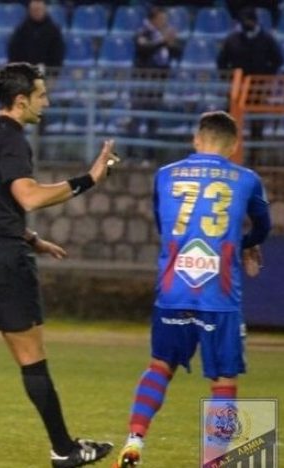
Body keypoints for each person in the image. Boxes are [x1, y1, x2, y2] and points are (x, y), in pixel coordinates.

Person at [0, 62, 117, 468]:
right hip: (3, 262)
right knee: (32, 358)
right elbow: (28, 197)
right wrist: (89, 179)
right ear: (20, 101)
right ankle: (64, 450)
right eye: (41, 95)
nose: (46, 103)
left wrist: (32, 239)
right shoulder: (13, 140)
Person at [113, 111, 271, 468]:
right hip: (220, 293)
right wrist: (246, 244)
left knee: (159, 366)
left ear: (196, 140)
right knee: (224, 380)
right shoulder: (247, 180)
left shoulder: (164, 175)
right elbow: (263, 226)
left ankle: (134, 440)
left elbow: (163, 225)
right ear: (234, 145)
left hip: (174, 289)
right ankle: (213, 461)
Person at [216, 7, 283, 165]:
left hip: (257, 88)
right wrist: (230, 79)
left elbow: (277, 60)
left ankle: (255, 159)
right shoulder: (232, 40)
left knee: (257, 124)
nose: (247, 24)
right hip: (237, 88)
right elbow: (221, 62)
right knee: (229, 121)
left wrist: (266, 78)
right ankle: (227, 156)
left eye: (249, 21)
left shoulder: (267, 39)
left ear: (255, 21)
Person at [129, 6, 182, 152]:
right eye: (161, 19)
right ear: (153, 19)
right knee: (136, 118)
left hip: (158, 83)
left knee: (153, 119)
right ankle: (130, 154)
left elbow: (177, 53)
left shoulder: (162, 35)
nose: (164, 21)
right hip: (142, 83)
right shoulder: (143, 32)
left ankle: (149, 155)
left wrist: (171, 44)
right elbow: (144, 49)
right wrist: (164, 41)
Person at [6, 0, 65, 70]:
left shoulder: (54, 31)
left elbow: (58, 55)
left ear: (44, 10)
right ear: (29, 11)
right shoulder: (20, 30)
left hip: (47, 71)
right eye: (34, 10)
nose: (37, 12)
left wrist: (49, 69)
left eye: (39, 10)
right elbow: (13, 52)